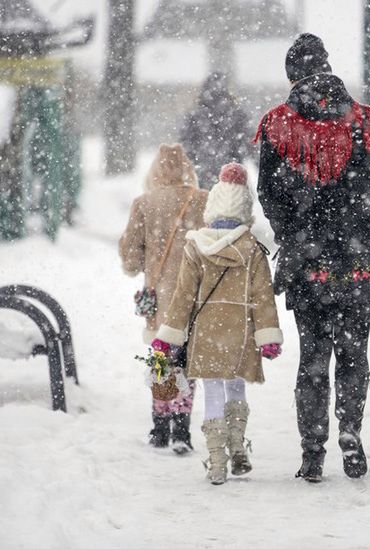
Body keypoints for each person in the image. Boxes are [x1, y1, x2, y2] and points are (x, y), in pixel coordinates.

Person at [254, 33, 370, 482]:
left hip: (306, 263)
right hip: (358, 261)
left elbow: (268, 193)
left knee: (312, 358)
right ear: (327, 67)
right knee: (352, 355)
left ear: (293, 75)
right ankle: (350, 430)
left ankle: (313, 452)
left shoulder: (279, 125)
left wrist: (292, 233)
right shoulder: (362, 122)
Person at [152, 162, 283, 485]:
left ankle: (216, 462)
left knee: (212, 390)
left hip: (206, 332)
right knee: (235, 385)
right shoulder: (252, 248)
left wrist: (167, 337)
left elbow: (183, 296)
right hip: (240, 331)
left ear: (213, 207)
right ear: (244, 208)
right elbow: (263, 295)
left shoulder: (196, 246)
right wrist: (268, 336)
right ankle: (238, 449)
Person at [119, 143, 208, 454]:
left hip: (159, 301)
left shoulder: (143, 204)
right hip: (191, 297)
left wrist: (142, 255)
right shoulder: (201, 201)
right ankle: (182, 427)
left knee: (161, 358)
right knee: (184, 360)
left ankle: (160, 426)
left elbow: (130, 261)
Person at [180, 73, 253, 190]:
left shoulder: (195, 113)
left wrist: (194, 160)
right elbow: (248, 142)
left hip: (203, 172)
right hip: (231, 175)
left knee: (205, 205)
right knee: (231, 205)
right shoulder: (236, 113)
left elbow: (186, 142)